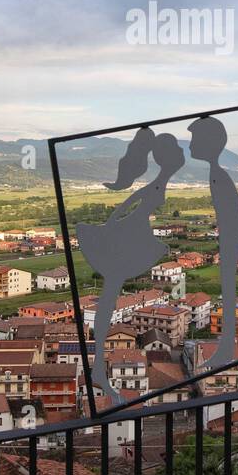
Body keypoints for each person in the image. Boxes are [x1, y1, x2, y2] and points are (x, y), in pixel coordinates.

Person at [77, 126, 185, 401]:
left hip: (131, 238)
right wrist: (112, 230)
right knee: (108, 298)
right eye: (177, 148)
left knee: (109, 298)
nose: (183, 151)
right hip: (127, 240)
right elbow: (124, 208)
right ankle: (99, 369)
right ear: (168, 156)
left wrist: (116, 226)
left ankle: (98, 367)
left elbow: (123, 207)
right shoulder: (157, 182)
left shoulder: (161, 180)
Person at [188, 115, 238, 369]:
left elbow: (230, 217)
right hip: (229, 243)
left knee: (229, 293)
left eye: (194, 139)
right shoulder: (216, 173)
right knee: (228, 293)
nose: (189, 144)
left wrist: (226, 247)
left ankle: (224, 351)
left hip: (229, 244)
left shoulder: (217, 175)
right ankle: (224, 351)